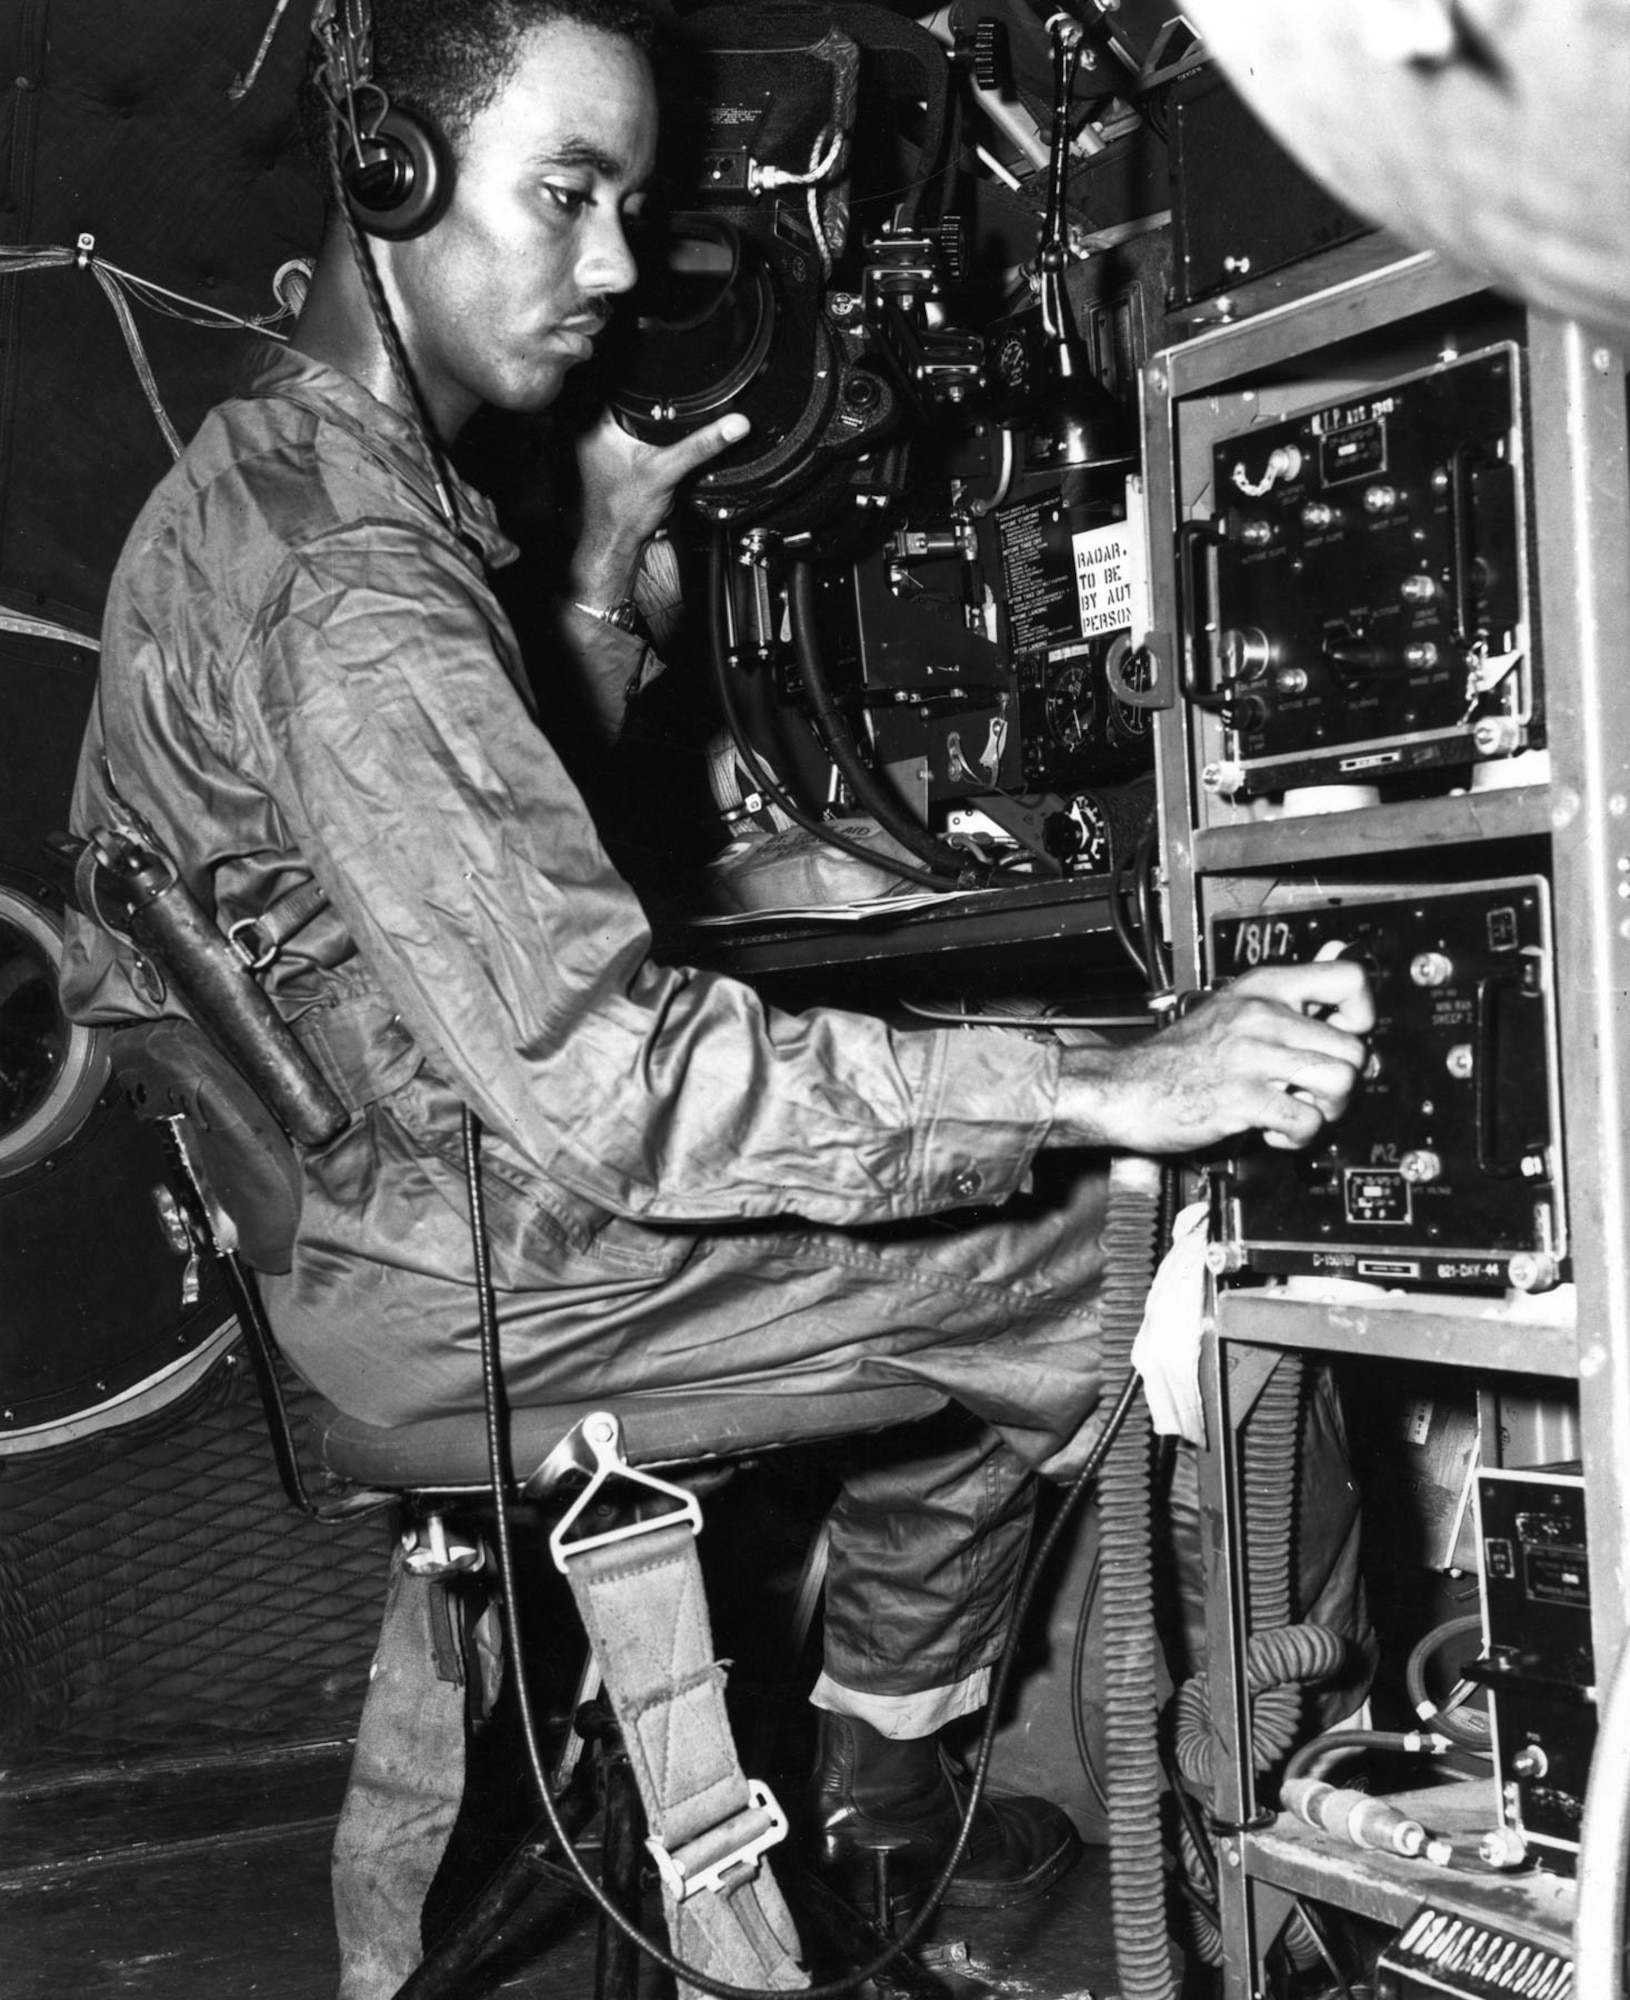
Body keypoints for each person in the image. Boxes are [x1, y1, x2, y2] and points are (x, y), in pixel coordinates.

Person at [60, 0, 1373, 1942]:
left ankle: (881, 1744)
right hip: (481, 1262)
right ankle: (1258, 1849)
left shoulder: (260, 487)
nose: (608, 266)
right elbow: (618, 1088)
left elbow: (435, 856)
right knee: (1156, 1247)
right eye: (565, 194)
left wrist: (593, 555)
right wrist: (1108, 1081)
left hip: (366, 1244)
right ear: (388, 175)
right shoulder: (357, 582)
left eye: (630, 206)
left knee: (959, 1160)